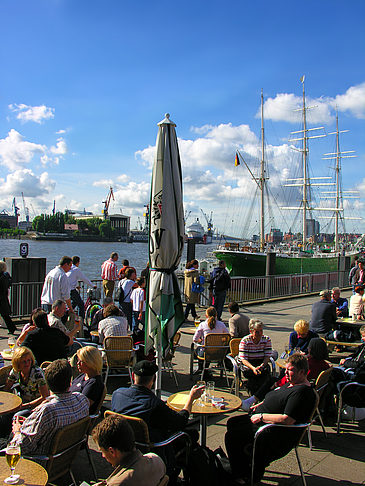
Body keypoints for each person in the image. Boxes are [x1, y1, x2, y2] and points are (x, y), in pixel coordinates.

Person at [225, 354, 316, 483]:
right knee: (232, 422)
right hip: (263, 421)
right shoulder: (293, 382)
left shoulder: (301, 392)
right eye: (285, 369)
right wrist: (261, 404)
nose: (285, 373)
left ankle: (244, 475)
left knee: (232, 437)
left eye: (289, 370)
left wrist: (261, 416)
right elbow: (277, 397)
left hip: (274, 432)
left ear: (302, 372)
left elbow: (287, 419)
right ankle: (246, 463)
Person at [9, 359, 89, 455]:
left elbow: (22, 447)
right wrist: (28, 423)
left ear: (48, 384)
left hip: (40, 460)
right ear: (70, 381)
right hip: (66, 456)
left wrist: (17, 431)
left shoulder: (48, 411)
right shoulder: (82, 400)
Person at [111, 360, 204, 442]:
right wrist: (191, 398)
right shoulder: (154, 404)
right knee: (192, 434)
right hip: (151, 448)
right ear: (154, 379)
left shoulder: (117, 394)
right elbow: (180, 422)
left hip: (121, 443)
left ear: (132, 375)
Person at [92, 414, 166, 486]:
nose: (102, 456)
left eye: (102, 451)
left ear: (112, 451)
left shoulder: (116, 483)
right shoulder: (157, 460)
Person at [4, 347, 49, 413]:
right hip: (22, 402)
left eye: (29, 360)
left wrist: (25, 406)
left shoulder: (37, 374)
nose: (27, 363)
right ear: (18, 363)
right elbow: (7, 388)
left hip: (36, 405)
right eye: (23, 361)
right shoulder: (16, 371)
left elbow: (45, 396)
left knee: (17, 415)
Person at [237, 319, 272, 397]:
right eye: (257, 331)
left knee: (265, 374)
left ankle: (260, 396)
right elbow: (243, 359)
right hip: (248, 363)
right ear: (251, 331)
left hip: (260, 362)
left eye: (261, 331)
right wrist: (253, 368)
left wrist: (262, 365)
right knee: (253, 375)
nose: (259, 334)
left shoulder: (266, 339)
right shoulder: (245, 341)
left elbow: (267, 356)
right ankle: (255, 396)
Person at [70, 346, 104, 414]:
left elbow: (81, 407)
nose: (78, 363)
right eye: (78, 360)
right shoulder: (83, 376)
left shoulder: (94, 383)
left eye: (81, 361)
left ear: (90, 363)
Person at [67, 256, 94, 320]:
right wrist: (92, 285)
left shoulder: (69, 268)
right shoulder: (76, 269)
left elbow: (71, 279)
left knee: (74, 303)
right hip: (72, 290)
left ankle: (68, 315)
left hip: (68, 289)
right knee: (81, 305)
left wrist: (76, 286)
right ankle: (80, 320)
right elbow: (84, 278)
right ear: (78, 262)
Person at [0, 260, 16, 334]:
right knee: (5, 315)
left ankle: (12, 328)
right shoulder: (6, 276)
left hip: (1, 298)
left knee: (5, 315)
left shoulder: (2, 277)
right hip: (3, 298)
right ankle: (12, 327)